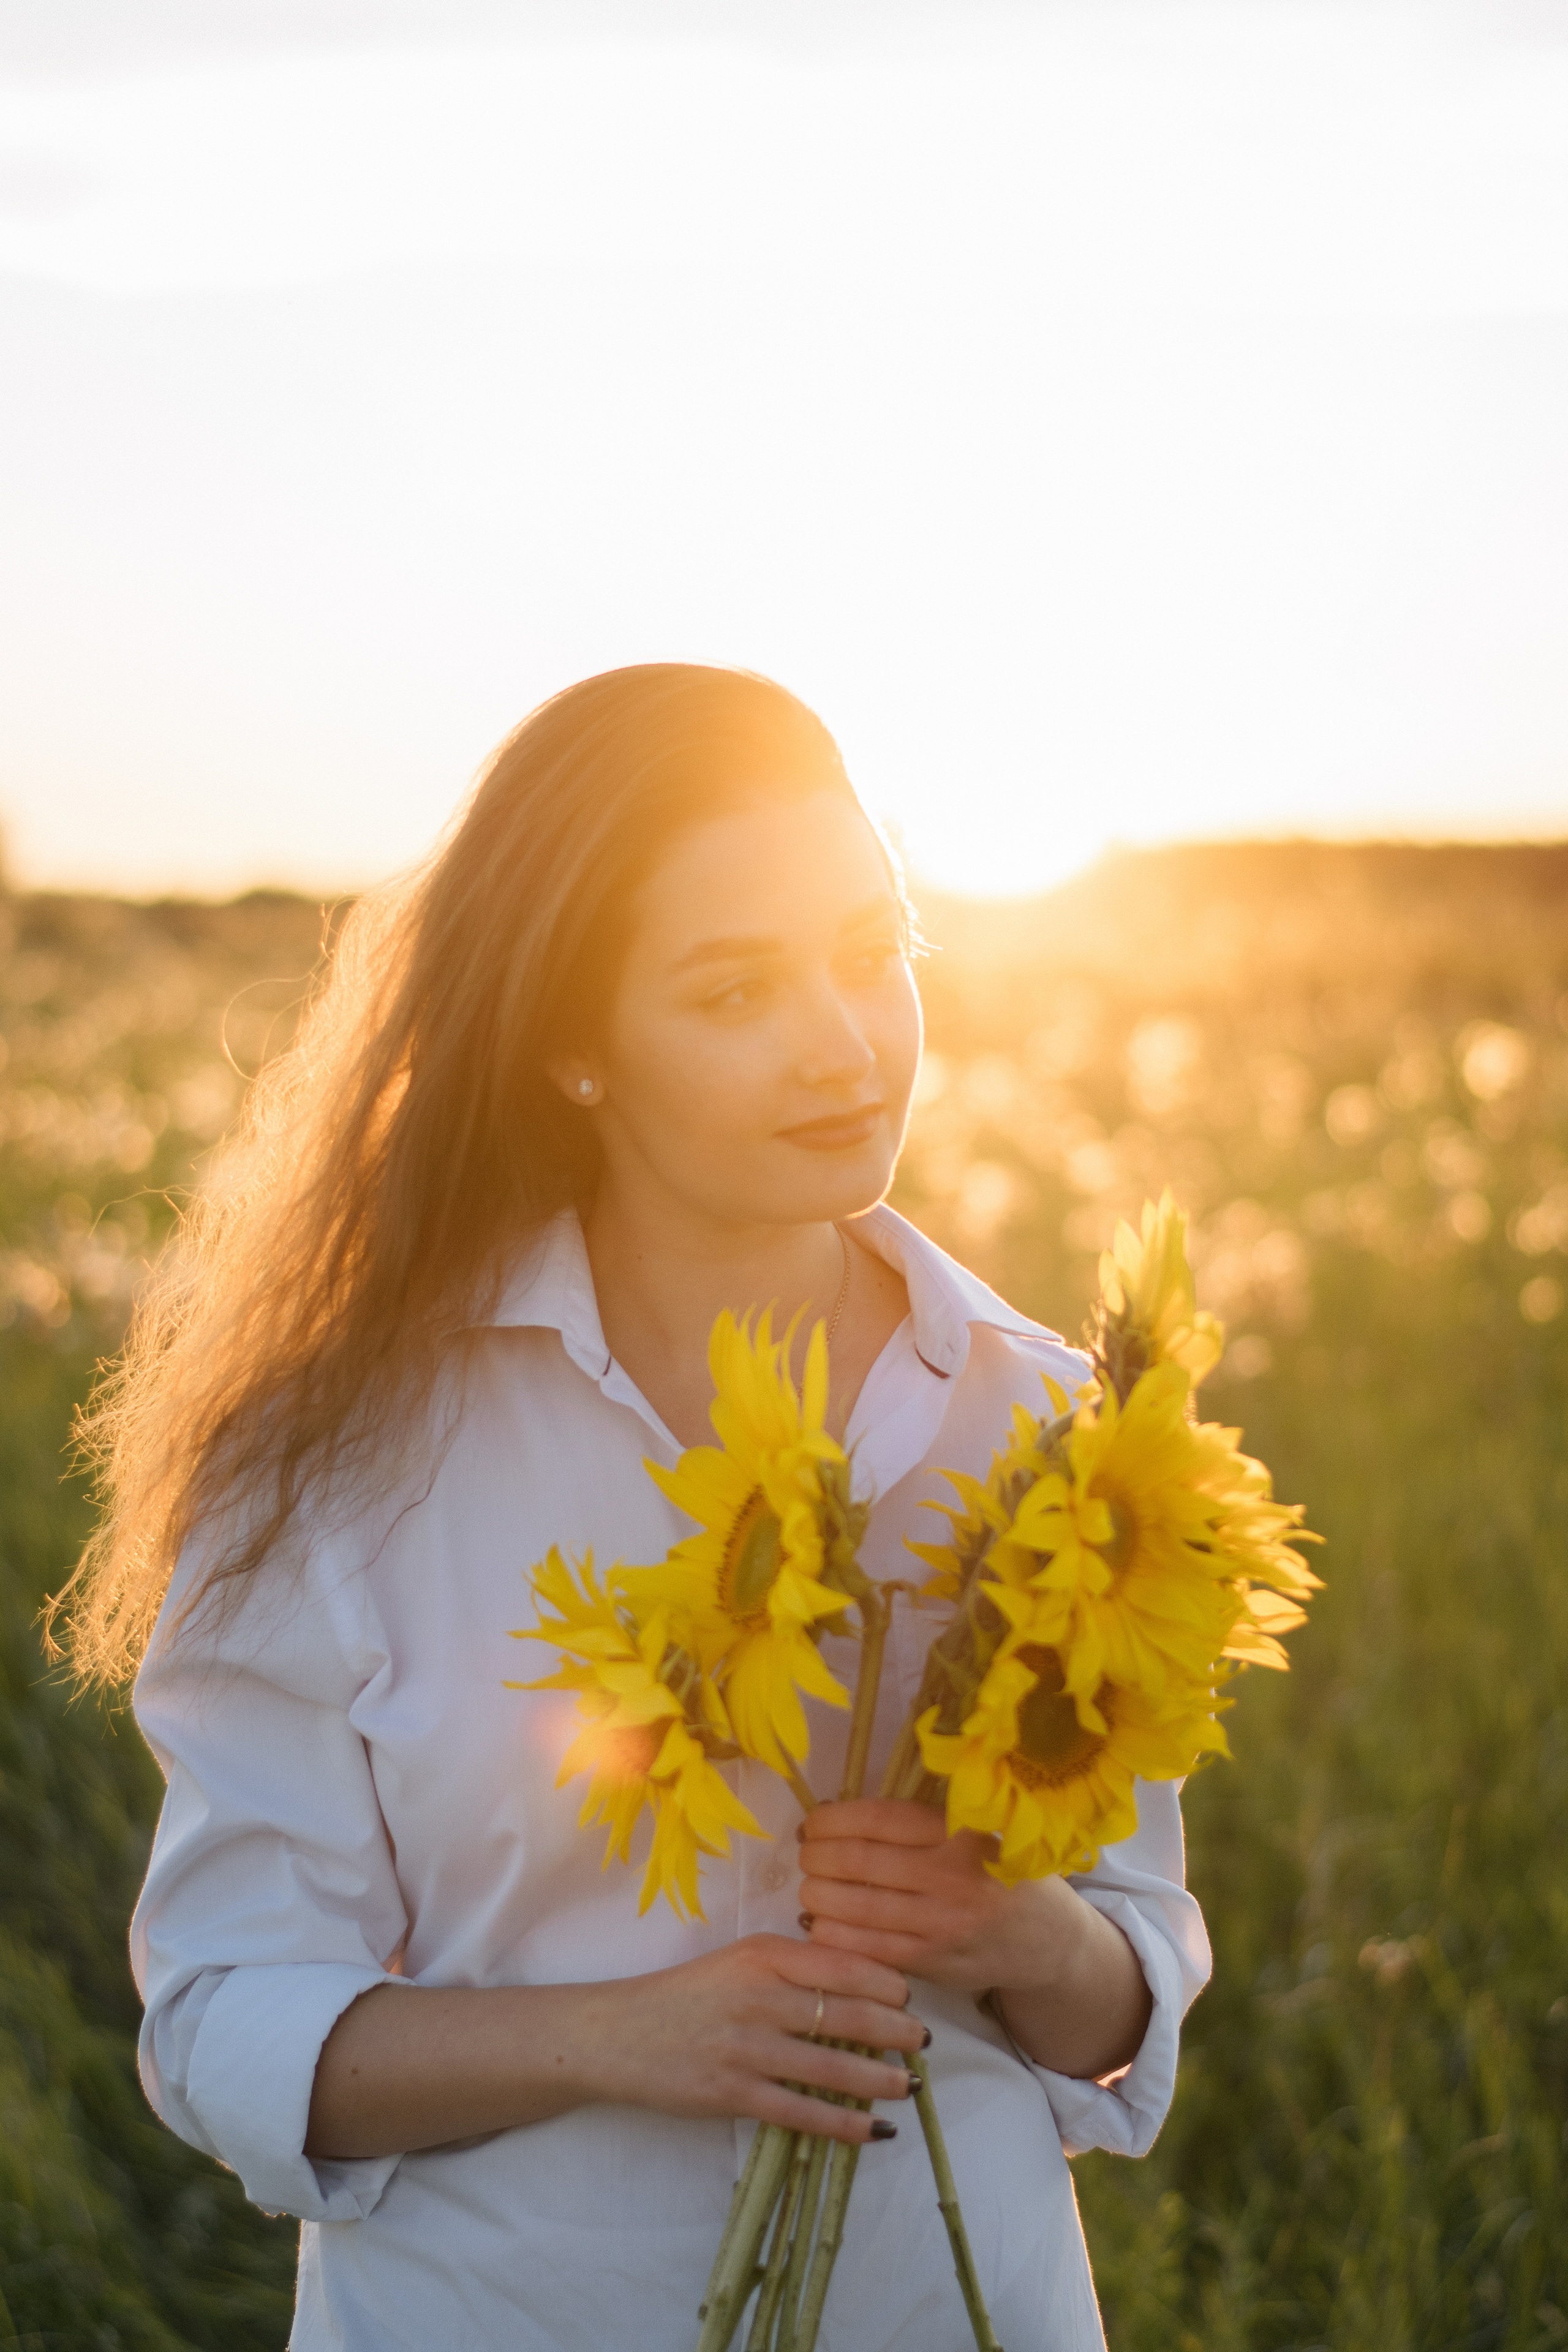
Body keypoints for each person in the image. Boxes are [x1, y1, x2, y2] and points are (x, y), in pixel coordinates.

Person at [61, 665, 1210, 2351]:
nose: (844, 1042)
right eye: (735, 990)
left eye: (871, 950)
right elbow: (223, 2019)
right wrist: (618, 2036)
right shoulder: (339, 1456)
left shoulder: (1050, 1425)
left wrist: (1020, 1935)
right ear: (573, 1048)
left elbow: (1128, 1986)